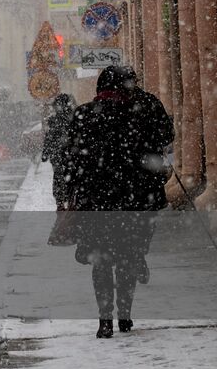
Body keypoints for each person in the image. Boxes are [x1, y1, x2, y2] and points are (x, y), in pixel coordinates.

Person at [68, 65, 174, 339]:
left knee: (101, 262)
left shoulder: (83, 114)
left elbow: (73, 159)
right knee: (127, 258)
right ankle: (125, 313)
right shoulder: (141, 111)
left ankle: (105, 320)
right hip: (135, 199)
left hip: (97, 202)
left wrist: (73, 192)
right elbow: (165, 138)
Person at [41, 93, 78, 209]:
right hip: (70, 156)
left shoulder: (55, 120)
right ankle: (68, 201)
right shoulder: (74, 118)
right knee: (70, 178)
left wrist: (46, 153)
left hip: (59, 155)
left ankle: (61, 202)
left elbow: (49, 138)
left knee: (59, 178)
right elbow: (49, 137)